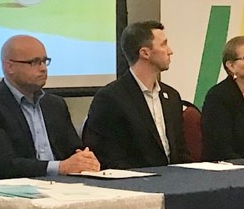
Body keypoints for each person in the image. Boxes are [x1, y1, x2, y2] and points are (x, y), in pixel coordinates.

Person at [0, 34, 99, 179]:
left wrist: (85, 159)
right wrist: (59, 167)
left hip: (63, 188)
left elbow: (74, 150)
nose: (43, 69)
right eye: (35, 62)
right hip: (16, 192)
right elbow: (2, 165)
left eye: (45, 61)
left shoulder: (55, 104)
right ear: (9, 67)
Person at [82, 20, 192, 169]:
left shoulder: (171, 96)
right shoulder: (110, 99)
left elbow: (180, 151)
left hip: (174, 182)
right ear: (145, 53)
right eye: (164, 44)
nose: (170, 51)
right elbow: (108, 156)